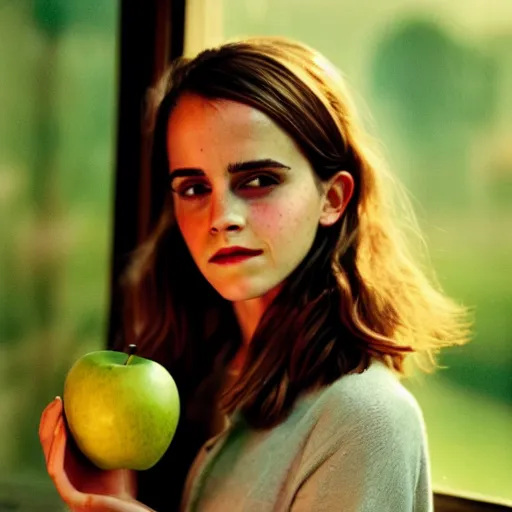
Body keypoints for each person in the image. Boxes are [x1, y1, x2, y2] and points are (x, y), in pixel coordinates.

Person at [39, 36, 471, 511]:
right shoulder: (199, 372)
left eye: (259, 180)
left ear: (334, 198)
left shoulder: (364, 420)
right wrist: (113, 498)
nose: (221, 216)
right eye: (194, 186)